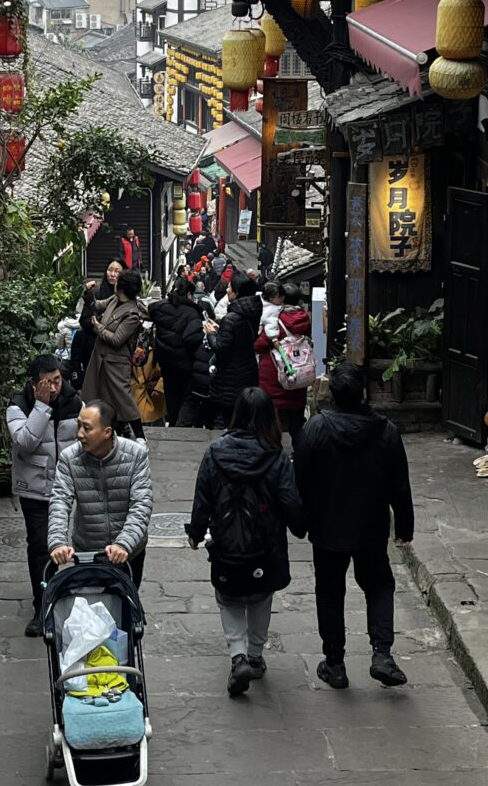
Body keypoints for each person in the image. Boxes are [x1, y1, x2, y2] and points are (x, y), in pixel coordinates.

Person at [293, 361, 414, 691]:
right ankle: (382, 654)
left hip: (328, 528)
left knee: (330, 593)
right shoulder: (386, 431)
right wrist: (404, 528)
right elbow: (400, 486)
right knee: (378, 586)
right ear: (363, 392)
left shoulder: (315, 429)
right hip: (371, 527)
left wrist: (299, 521)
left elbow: (299, 480)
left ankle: (335, 664)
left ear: (332, 393)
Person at [186, 387, 306, 696]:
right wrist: (301, 527)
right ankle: (255, 655)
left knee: (228, 598)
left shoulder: (216, 452)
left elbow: (203, 498)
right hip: (266, 547)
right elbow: (290, 501)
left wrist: (196, 533)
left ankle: (237, 655)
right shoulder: (277, 456)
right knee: (260, 597)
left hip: (227, 544)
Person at [6, 354, 81, 637]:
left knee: (69, 543)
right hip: (35, 489)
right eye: (46, 383)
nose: (53, 388)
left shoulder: (75, 403)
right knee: (40, 546)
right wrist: (41, 407)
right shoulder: (18, 406)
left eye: (57, 381)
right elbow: (25, 442)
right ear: (34, 383)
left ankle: (68, 592)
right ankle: (43, 604)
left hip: (66, 487)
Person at [48, 400, 153, 588]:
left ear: (107, 432)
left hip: (129, 552)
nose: (80, 434)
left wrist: (124, 544)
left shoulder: (136, 455)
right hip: (88, 551)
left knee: (127, 605)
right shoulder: (69, 458)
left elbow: (141, 504)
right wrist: (57, 543)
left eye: (87, 428)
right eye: (79, 425)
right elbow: (60, 502)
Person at [82, 268, 146, 441]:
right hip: (100, 358)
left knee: (124, 400)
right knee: (101, 397)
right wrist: (89, 293)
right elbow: (97, 304)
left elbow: (117, 339)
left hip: (117, 362)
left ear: (123, 288)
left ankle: (140, 437)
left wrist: (99, 327)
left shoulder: (132, 313)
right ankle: (110, 433)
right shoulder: (113, 299)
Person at [203, 272, 263, 430]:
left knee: (225, 416)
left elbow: (220, 347)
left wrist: (211, 333)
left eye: (230, 287)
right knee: (242, 415)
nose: (227, 290)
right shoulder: (252, 312)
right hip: (248, 368)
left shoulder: (232, 318)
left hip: (230, 375)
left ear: (236, 292)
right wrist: (221, 330)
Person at [256, 282, 312, 446]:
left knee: (270, 419)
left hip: (274, 376)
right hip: (298, 373)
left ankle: (271, 450)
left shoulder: (276, 319)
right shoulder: (305, 319)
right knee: (296, 421)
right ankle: (300, 453)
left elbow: (259, 345)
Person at [147, 278, 205, 427]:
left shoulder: (161, 308)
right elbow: (191, 338)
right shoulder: (192, 313)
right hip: (185, 364)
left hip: (166, 362)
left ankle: (172, 423)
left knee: (171, 395)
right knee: (187, 397)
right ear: (189, 295)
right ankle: (180, 429)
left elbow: (151, 309)